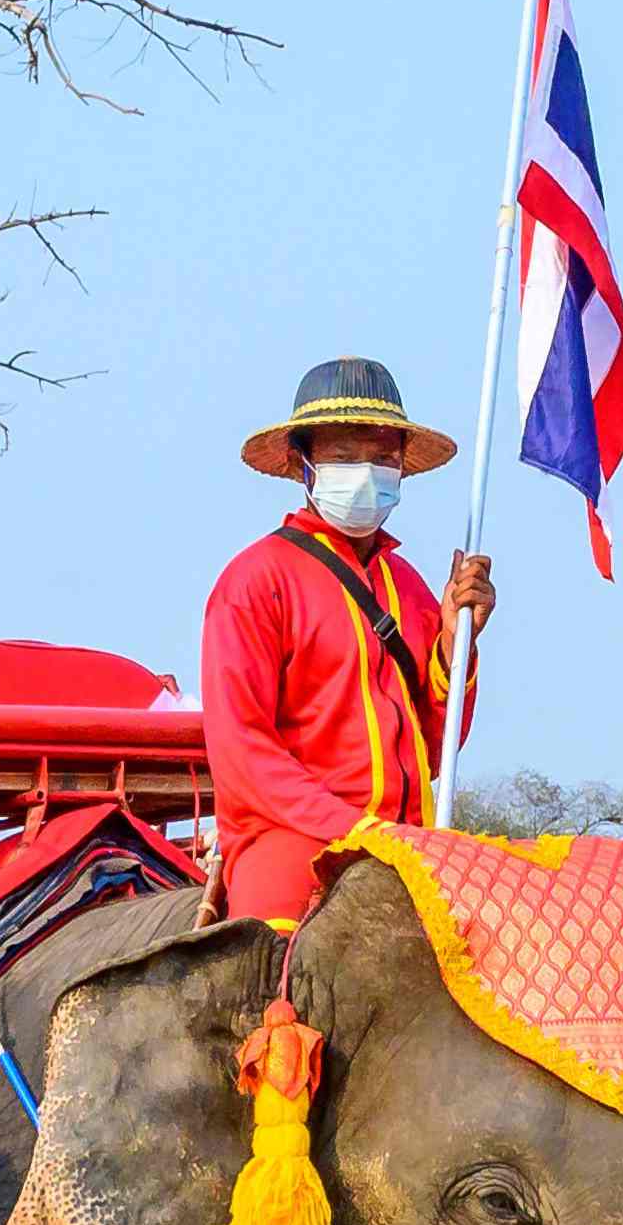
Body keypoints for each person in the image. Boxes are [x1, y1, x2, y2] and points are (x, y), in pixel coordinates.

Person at [199, 354, 498, 925]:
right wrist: (354, 829)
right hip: (292, 845)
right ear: (303, 464)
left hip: (411, 848)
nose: (365, 470)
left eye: (382, 457)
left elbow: (434, 752)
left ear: (402, 469)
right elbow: (245, 756)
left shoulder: (410, 588)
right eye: (342, 456)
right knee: (274, 998)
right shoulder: (255, 581)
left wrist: (455, 650)